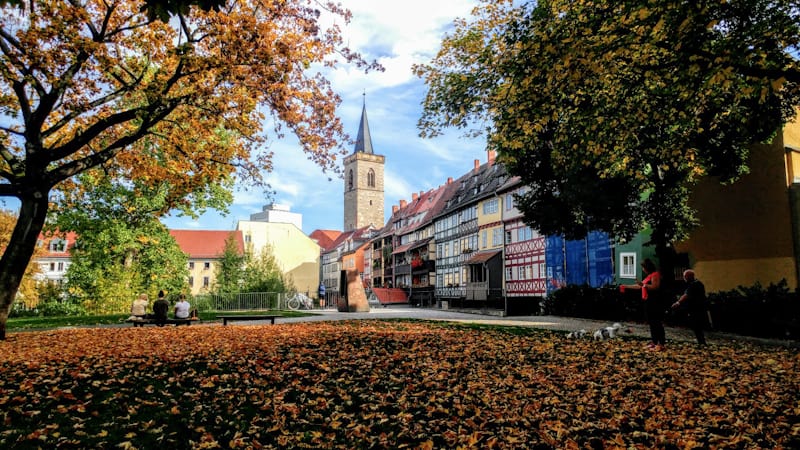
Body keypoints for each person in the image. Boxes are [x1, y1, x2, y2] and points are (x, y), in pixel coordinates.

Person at [621, 258, 666, 350]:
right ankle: (654, 342)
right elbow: (640, 286)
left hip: (654, 301)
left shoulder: (655, 275)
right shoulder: (648, 276)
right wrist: (626, 286)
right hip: (647, 301)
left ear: (647, 267)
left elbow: (655, 287)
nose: (643, 269)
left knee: (656, 322)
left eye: (643, 267)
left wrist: (643, 285)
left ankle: (661, 343)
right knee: (651, 322)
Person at [672, 270, 709, 345]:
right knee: (697, 326)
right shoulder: (698, 283)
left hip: (696, 307)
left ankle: (701, 342)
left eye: (685, 276)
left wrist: (678, 302)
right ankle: (701, 342)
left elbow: (686, 295)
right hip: (699, 306)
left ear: (689, 276)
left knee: (697, 326)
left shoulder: (693, 285)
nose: (684, 278)